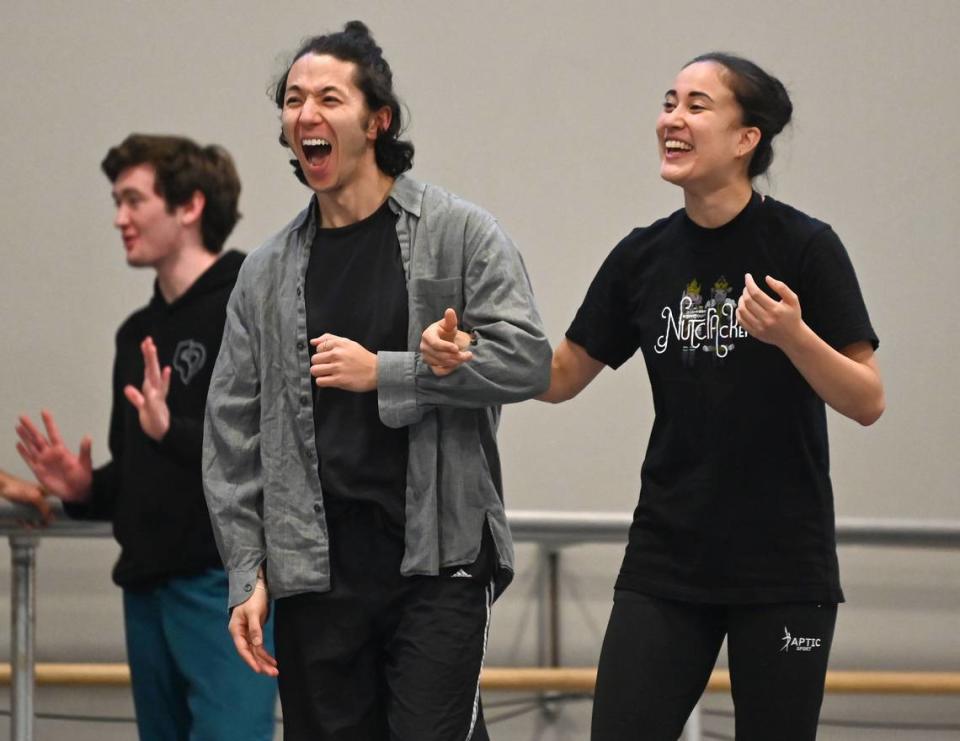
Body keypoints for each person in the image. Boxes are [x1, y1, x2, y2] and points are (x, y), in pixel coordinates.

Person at [423, 53, 884, 740]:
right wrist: (465, 358)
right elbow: (558, 376)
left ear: (745, 138)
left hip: (784, 564)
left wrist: (792, 336)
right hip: (668, 559)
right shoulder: (643, 257)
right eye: (669, 102)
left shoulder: (805, 247)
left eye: (697, 105)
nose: (672, 118)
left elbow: (867, 397)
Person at [201, 21, 550, 741]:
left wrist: (393, 371)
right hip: (315, 572)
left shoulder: (458, 233)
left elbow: (528, 361)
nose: (306, 115)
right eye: (294, 99)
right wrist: (247, 570)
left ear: (377, 119)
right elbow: (230, 438)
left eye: (329, 97)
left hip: (439, 563)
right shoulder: (264, 274)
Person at [15, 134, 276, 741]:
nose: (119, 218)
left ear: (189, 206)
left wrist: (170, 430)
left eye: (133, 200)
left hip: (227, 584)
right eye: (116, 201)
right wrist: (84, 487)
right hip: (147, 588)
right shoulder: (136, 334)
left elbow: (271, 450)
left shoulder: (248, 302)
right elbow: (141, 473)